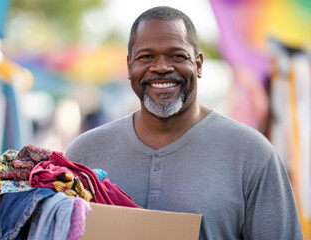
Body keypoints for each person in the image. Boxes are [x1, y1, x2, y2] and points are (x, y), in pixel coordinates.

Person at [65, 6, 304, 240]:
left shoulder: (252, 154)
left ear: (198, 65)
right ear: (130, 66)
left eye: (177, 56)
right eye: (146, 56)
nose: (161, 67)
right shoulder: (85, 153)